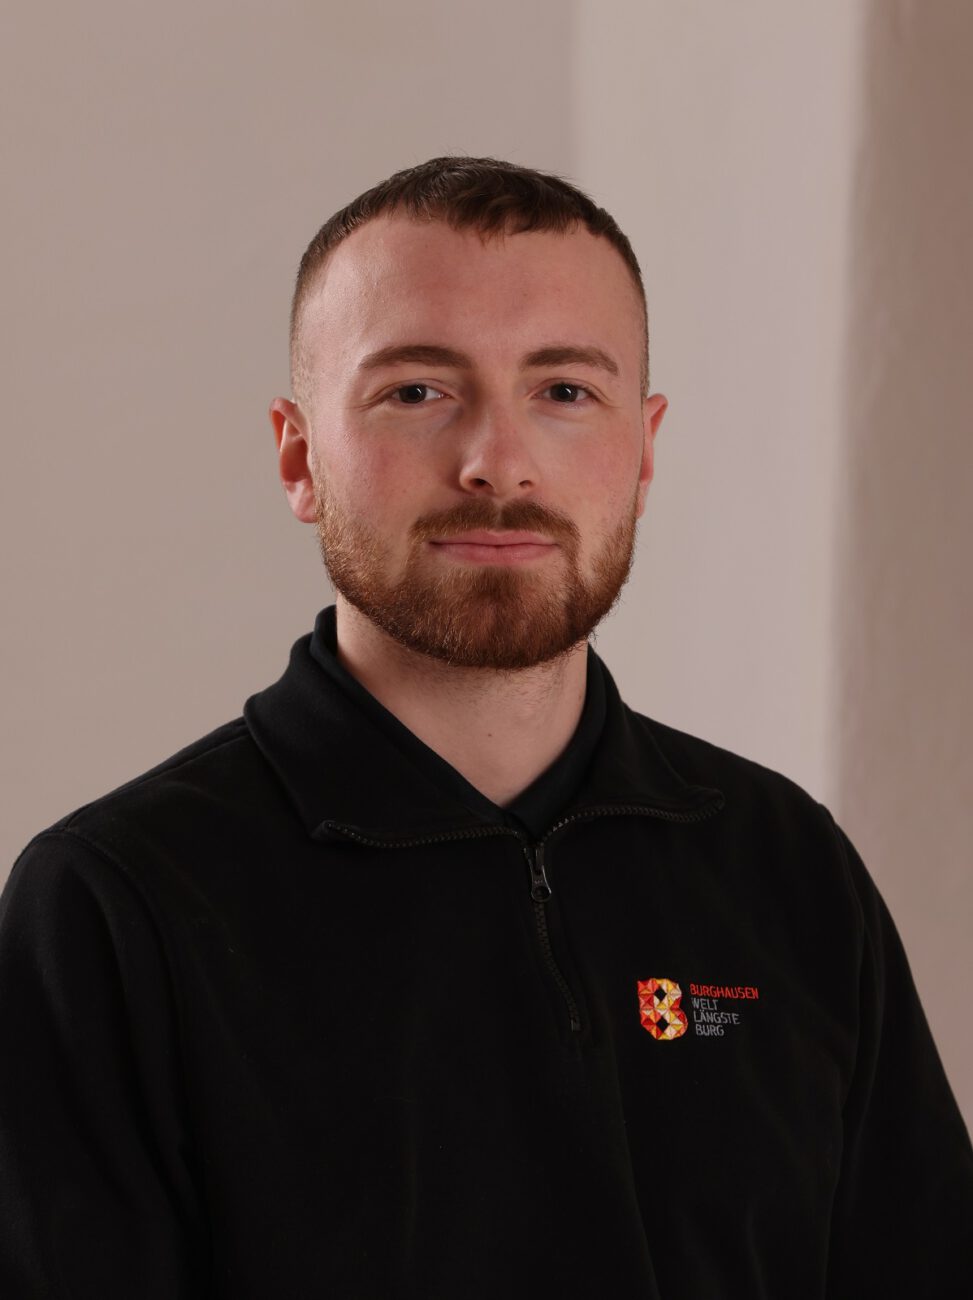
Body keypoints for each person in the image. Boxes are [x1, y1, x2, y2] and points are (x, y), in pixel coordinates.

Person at [1, 156, 970, 1299]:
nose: (497, 463)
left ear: (644, 450)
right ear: (299, 456)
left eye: (563, 390)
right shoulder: (117, 907)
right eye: (417, 391)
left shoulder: (788, 868)